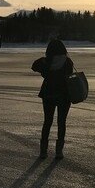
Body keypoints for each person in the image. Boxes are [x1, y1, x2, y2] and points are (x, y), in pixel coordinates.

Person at [33, 27, 73, 159]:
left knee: (47, 122)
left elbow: (34, 66)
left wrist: (45, 66)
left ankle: (43, 151)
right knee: (62, 122)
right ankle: (59, 151)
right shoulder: (67, 62)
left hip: (48, 94)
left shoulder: (46, 62)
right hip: (64, 95)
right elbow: (70, 75)